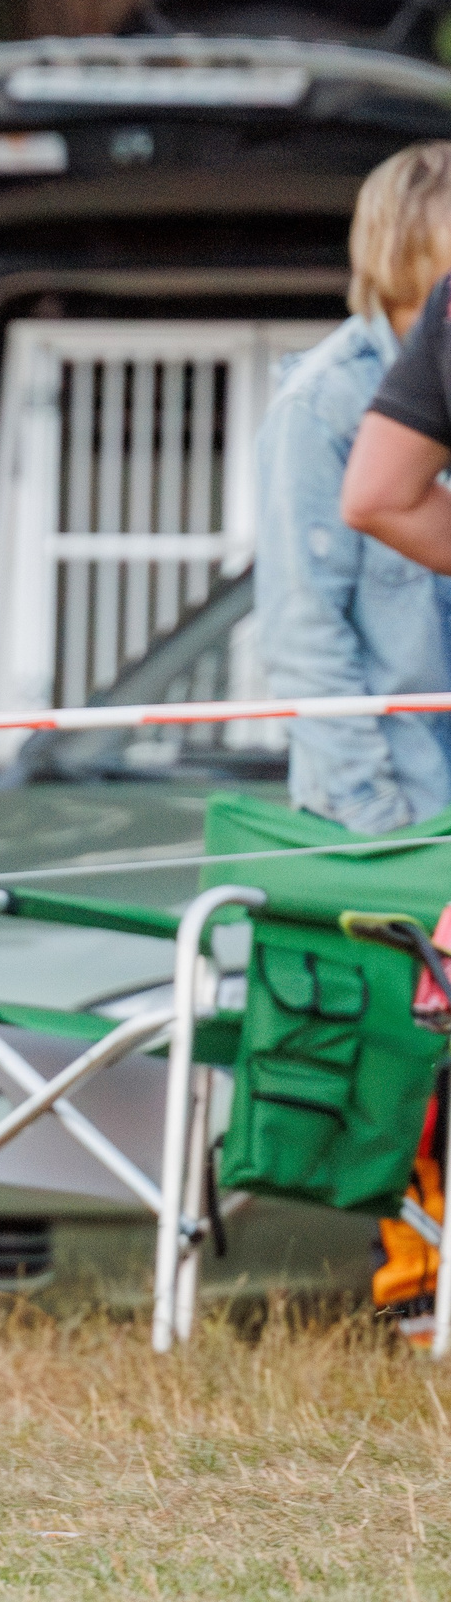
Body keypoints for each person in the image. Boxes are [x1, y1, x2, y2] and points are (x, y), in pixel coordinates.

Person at [327, 143, 451, 1343]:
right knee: (412, 1046)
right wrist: (371, 804)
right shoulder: (326, 391)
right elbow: (309, 628)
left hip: (436, 772)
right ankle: (409, 1281)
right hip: (391, 782)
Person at [260, 142, 451, 836]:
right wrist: (377, 817)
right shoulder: (320, 404)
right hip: (397, 809)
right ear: (409, 244)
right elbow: (302, 632)